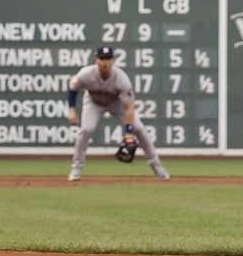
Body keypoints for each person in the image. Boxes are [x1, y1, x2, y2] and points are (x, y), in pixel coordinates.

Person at [65, 46, 168, 182]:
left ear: (113, 61)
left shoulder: (122, 79)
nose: (105, 62)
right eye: (102, 58)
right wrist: (71, 109)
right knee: (86, 130)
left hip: (117, 104)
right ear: (97, 60)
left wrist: (129, 133)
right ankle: (76, 168)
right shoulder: (86, 73)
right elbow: (73, 89)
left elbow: (129, 108)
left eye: (108, 58)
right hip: (93, 103)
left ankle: (157, 165)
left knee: (139, 129)